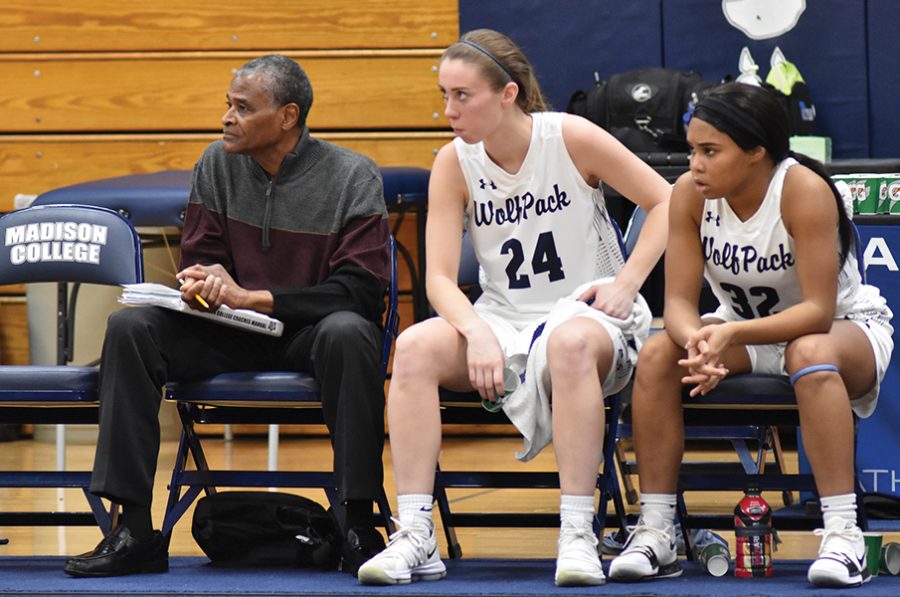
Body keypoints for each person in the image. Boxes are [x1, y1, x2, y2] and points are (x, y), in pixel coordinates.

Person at [357, 29, 670, 587]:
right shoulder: (454, 162)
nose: (448, 109)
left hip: (590, 315)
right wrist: (474, 330)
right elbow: (437, 280)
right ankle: (416, 533)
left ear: (507, 93)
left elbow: (668, 201)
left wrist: (626, 283)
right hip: (503, 319)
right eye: (444, 95)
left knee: (569, 341)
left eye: (462, 96)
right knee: (412, 347)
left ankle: (577, 532)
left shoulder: (569, 137)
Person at [63, 54, 392, 577]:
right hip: (227, 333)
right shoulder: (216, 164)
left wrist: (251, 298)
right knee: (131, 326)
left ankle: (356, 522)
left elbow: (359, 291)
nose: (227, 118)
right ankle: (133, 530)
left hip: (310, 336)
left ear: (287, 116)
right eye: (227, 105)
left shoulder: (352, 176)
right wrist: (203, 282)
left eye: (242, 107)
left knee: (351, 332)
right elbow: (202, 257)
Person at [608, 82, 893, 588]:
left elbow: (817, 311)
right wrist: (696, 339)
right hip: (745, 331)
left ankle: (842, 534)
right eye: (692, 150)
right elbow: (675, 302)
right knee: (656, 354)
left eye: (710, 151)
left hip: (843, 330)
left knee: (809, 352)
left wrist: (728, 332)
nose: (694, 163)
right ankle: (657, 530)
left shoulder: (802, 189)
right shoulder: (688, 198)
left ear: (756, 151)